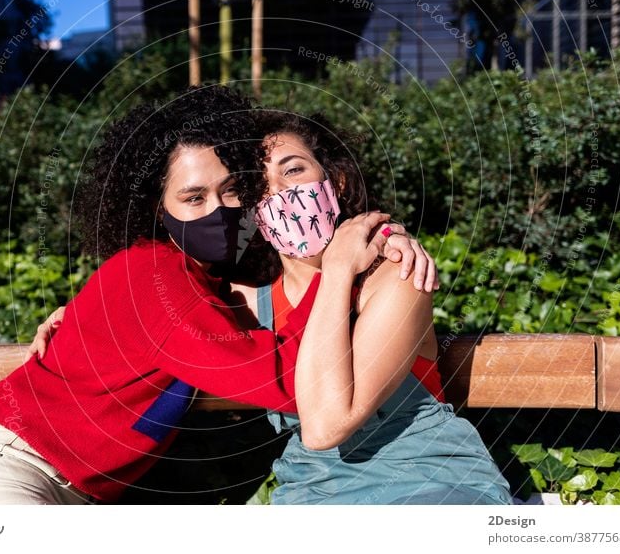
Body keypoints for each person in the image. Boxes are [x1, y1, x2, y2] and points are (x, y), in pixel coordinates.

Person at [0, 86, 432, 505]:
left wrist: (377, 242)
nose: (219, 210)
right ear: (158, 211)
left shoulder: (203, 288)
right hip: (4, 479)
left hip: (76, 496)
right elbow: (287, 383)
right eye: (193, 197)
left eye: (233, 191)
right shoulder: (151, 277)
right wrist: (339, 266)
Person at [32, 108, 512, 505]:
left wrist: (350, 261)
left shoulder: (395, 277)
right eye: (259, 185)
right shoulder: (244, 303)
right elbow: (150, 306)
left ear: (337, 181)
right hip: (311, 500)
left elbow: (326, 425)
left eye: (294, 170)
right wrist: (72, 316)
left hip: (432, 490)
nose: (280, 193)